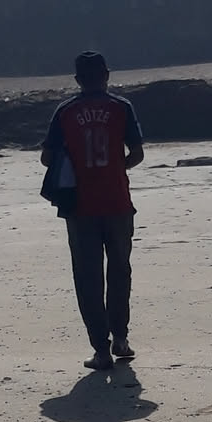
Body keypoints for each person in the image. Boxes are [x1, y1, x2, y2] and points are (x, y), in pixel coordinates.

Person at [40, 52, 145, 369]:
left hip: (80, 207)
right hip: (118, 202)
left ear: (77, 80)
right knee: (120, 271)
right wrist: (116, 168)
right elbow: (137, 153)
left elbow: (47, 158)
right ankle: (121, 338)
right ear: (106, 75)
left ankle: (101, 350)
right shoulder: (121, 107)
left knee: (88, 278)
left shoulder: (66, 111)